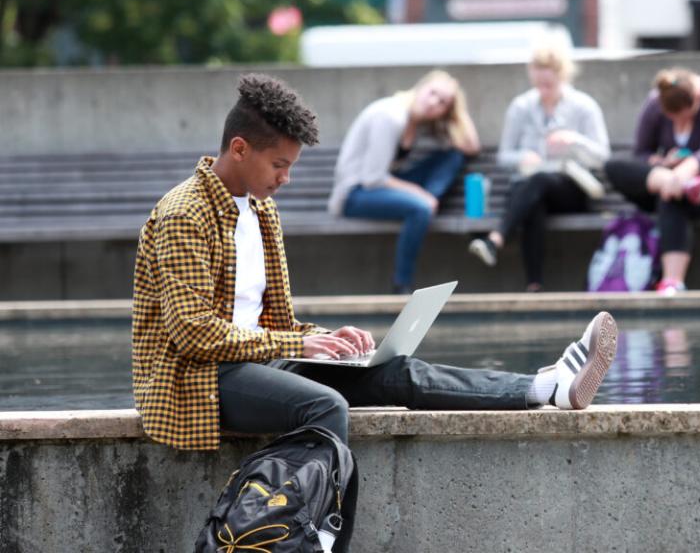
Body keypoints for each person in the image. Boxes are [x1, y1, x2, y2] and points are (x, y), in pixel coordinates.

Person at [132, 74, 620, 454]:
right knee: (324, 404)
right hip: (197, 381)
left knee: (397, 373)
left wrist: (328, 339)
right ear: (239, 149)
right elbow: (194, 334)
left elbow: (271, 326)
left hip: (258, 363)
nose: (287, 178)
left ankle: (545, 387)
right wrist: (298, 341)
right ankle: (313, 533)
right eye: (280, 165)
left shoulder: (260, 210)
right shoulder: (185, 213)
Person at [467, 43, 611, 292]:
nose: (543, 90)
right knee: (533, 195)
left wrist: (573, 140)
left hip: (570, 188)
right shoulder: (521, 107)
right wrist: (523, 157)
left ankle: (496, 239)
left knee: (539, 182)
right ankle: (534, 285)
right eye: (539, 84)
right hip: (529, 188)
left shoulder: (583, 106)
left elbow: (602, 156)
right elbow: (505, 156)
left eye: (549, 85)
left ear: (562, 76)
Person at [328, 70, 480, 295]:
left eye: (442, 103)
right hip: (354, 194)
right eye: (432, 93)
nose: (433, 102)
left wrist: (458, 112)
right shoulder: (390, 115)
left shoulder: (417, 122)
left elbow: (471, 147)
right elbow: (373, 178)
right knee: (420, 208)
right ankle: (402, 285)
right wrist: (420, 194)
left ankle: (428, 205)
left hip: (380, 187)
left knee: (452, 156)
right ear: (420, 88)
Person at [603, 67, 700, 295]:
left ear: (697, 99)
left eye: (685, 114)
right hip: (668, 180)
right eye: (674, 118)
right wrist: (663, 166)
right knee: (615, 167)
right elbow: (640, 153)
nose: (680, 121)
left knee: (671, 198)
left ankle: (672, 281)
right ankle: (672, 185)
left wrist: (682, 173)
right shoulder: (655, 103)